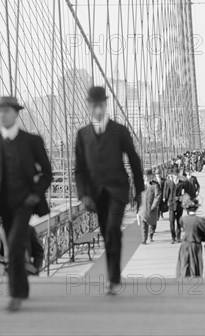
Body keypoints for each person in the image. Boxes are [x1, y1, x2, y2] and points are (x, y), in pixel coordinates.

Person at [0, 96, 52, 312]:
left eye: (7, 111)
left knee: (14, 246)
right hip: (3, 205)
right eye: (0, 111)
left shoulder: (32, 141)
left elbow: (47, 173)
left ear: (16, 113)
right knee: (14, 247)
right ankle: (22, 288)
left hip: (25, 203)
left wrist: (36, 193)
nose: (3, 115)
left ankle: (15, 294)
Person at [74, 86, 143, 294]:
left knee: (113, 228)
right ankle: (114, 275)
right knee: (106, 232)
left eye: (100, 104)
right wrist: (83, 194)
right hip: (96, 193)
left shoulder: (120, 131)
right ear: (89, 106)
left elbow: (134, 159)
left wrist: (139, 191)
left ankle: (113, 278)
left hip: (117, 190)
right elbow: (79, 169)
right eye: (93, 104)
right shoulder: (82, 134)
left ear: (105, 105)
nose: (97, 108)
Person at [176, 199, 205, 278]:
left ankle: (183, 276)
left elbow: (182, 226)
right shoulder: (199, 220)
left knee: (184, 262)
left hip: (185, 243)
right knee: (195, 262)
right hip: (195, 244)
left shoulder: (182, 219)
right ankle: (195, 277)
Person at [138, 169, 161, 244]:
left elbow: (157, 196)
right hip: (143, 208)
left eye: (148, 176)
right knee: (143, 224)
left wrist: (154, 206)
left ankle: (150, 235)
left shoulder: (155, 185)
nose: (146, 177)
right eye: (145, 176)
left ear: (151, 176)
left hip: (152, 208)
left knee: (152, 224)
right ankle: (144, 239)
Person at [162, 168, 181, 243]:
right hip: (171, 204)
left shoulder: (182, 182)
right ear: (172, 175)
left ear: (179, 174)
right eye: (174, 174)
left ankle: (178, 237)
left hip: (179, 204)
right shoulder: (168, 182)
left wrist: (180, 198)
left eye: (177, 174)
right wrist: (165, 199)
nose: (176, 176)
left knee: (179, 221)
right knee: (171, 220)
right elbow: (166, 192)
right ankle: (173, 237)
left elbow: (185, 193)